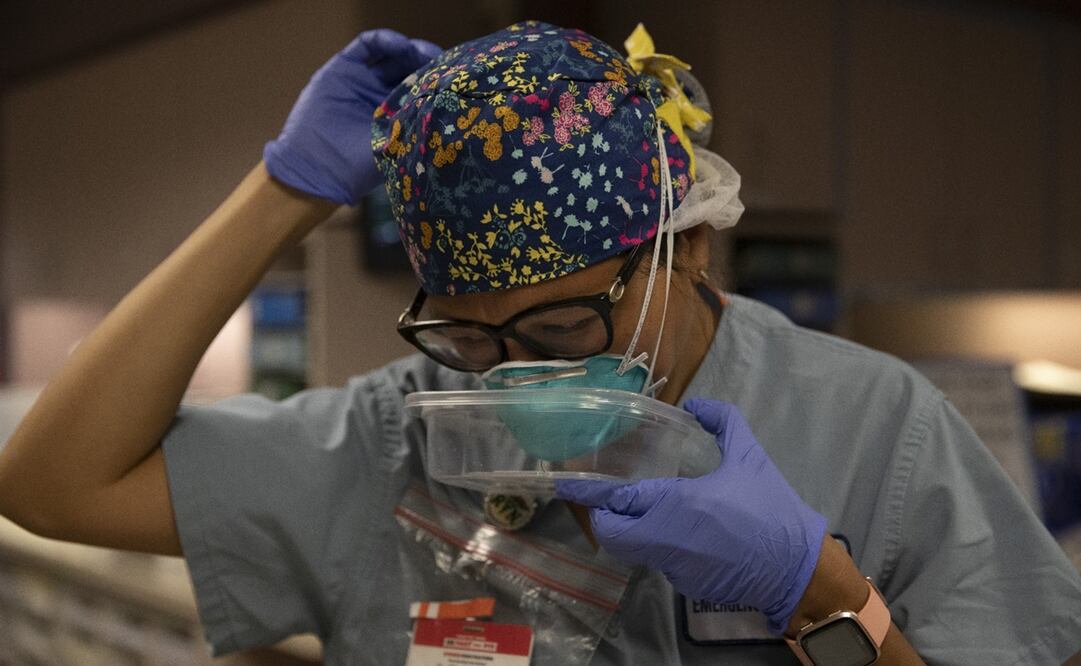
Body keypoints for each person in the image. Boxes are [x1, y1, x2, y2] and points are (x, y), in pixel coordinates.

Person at [1, 20, 1079, 666]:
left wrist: (820, 596)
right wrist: (278, 195)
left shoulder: (876, 432)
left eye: (562, 324)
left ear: (685, 248)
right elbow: (52, 485)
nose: (521, 374)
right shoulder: (396, 439)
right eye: (471, 336)